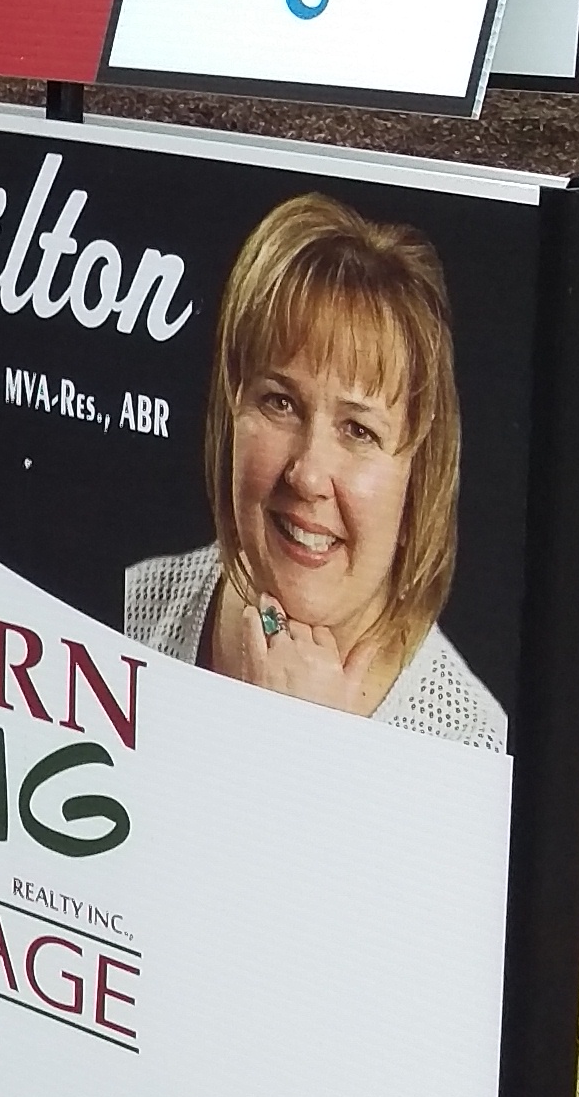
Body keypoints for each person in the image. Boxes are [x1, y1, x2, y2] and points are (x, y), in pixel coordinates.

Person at [123, 189, 506, 748]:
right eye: (280, 402)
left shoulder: (467, 743)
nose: (306, 474)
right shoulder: (131, 612)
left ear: (417, 474)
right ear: (233, 405)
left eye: (359, 430)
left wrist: (311, 753)